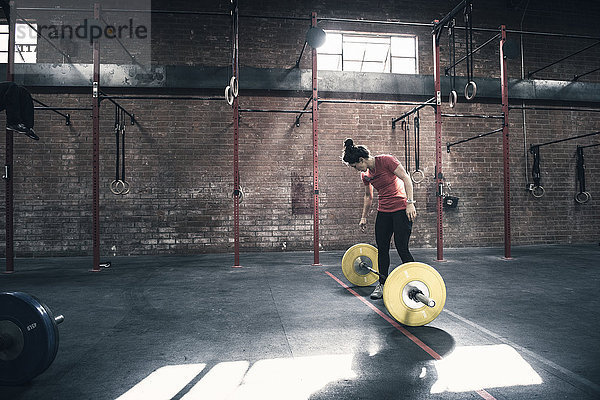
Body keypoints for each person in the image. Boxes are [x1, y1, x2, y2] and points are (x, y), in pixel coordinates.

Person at [342, 138, 416, 299]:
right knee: (382, 249)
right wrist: (363, 217)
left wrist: (410, 203)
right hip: (384, 211)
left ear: (361, 160)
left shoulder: (387, 161)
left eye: (355, 166)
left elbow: (406, 178)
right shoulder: (366, 175)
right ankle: (382, 285)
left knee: (402, 247)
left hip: (401, 209)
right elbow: (368, 197)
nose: (357, 170)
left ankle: (415, 282)